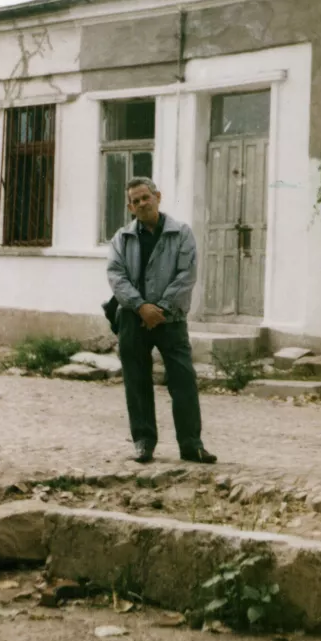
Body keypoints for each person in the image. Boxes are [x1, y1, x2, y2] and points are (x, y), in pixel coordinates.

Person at [106, 177, 217, 465]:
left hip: (171, 320)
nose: (143, 204)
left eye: (146, 197)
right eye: (136, 201)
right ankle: (143, 442)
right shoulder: (122, 238)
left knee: (183, 380)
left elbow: (186, 274)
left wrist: (161, 309)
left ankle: (191, 445)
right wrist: (141, 306)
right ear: (130, 207)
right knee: (136, 380)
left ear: (158, 196)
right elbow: (116, 275)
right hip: (133, 318)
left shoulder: (180, 233)